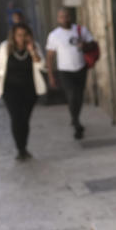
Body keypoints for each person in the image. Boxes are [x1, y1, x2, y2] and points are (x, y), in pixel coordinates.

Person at [0, 22, 47, 160]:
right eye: (19, 35)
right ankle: (21, 149)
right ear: (13, 35)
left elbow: (42, 65)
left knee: (24, 120)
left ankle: (23, 146)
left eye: (24, 35)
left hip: (30, 90)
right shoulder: (5, 47)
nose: (21, 38)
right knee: (16, 118)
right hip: (10, 90)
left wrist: (32, 51)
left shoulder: (34, 46)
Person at [46, 8, 93, 140]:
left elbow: (92, 44)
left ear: (70, 17)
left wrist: (84, 45)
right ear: (58, 19)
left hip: (81, 68)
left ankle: (75, 117)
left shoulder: (80, 30)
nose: (64, 19)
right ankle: (76, 122)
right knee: (72, 96)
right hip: (64, 71)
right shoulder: (54, 35)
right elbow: (50, 57)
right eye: (61, 17)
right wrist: (51, 76)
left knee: (78, 96)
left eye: (66, 16)